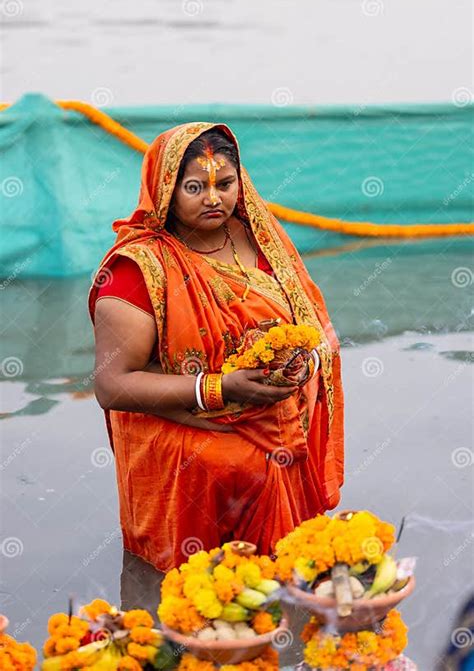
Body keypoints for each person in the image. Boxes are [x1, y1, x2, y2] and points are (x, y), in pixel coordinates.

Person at [88, 121, 344, 573]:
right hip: (189, 434)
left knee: (288, 577)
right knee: (208, 594)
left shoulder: (261, 239)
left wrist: (301, 364)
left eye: (225, 184)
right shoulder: (137, 269)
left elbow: (314, 325)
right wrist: (221, 390)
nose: (213, 199)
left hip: (279, 423)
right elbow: (112, 385)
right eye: (195, 187)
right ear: (165, 188)